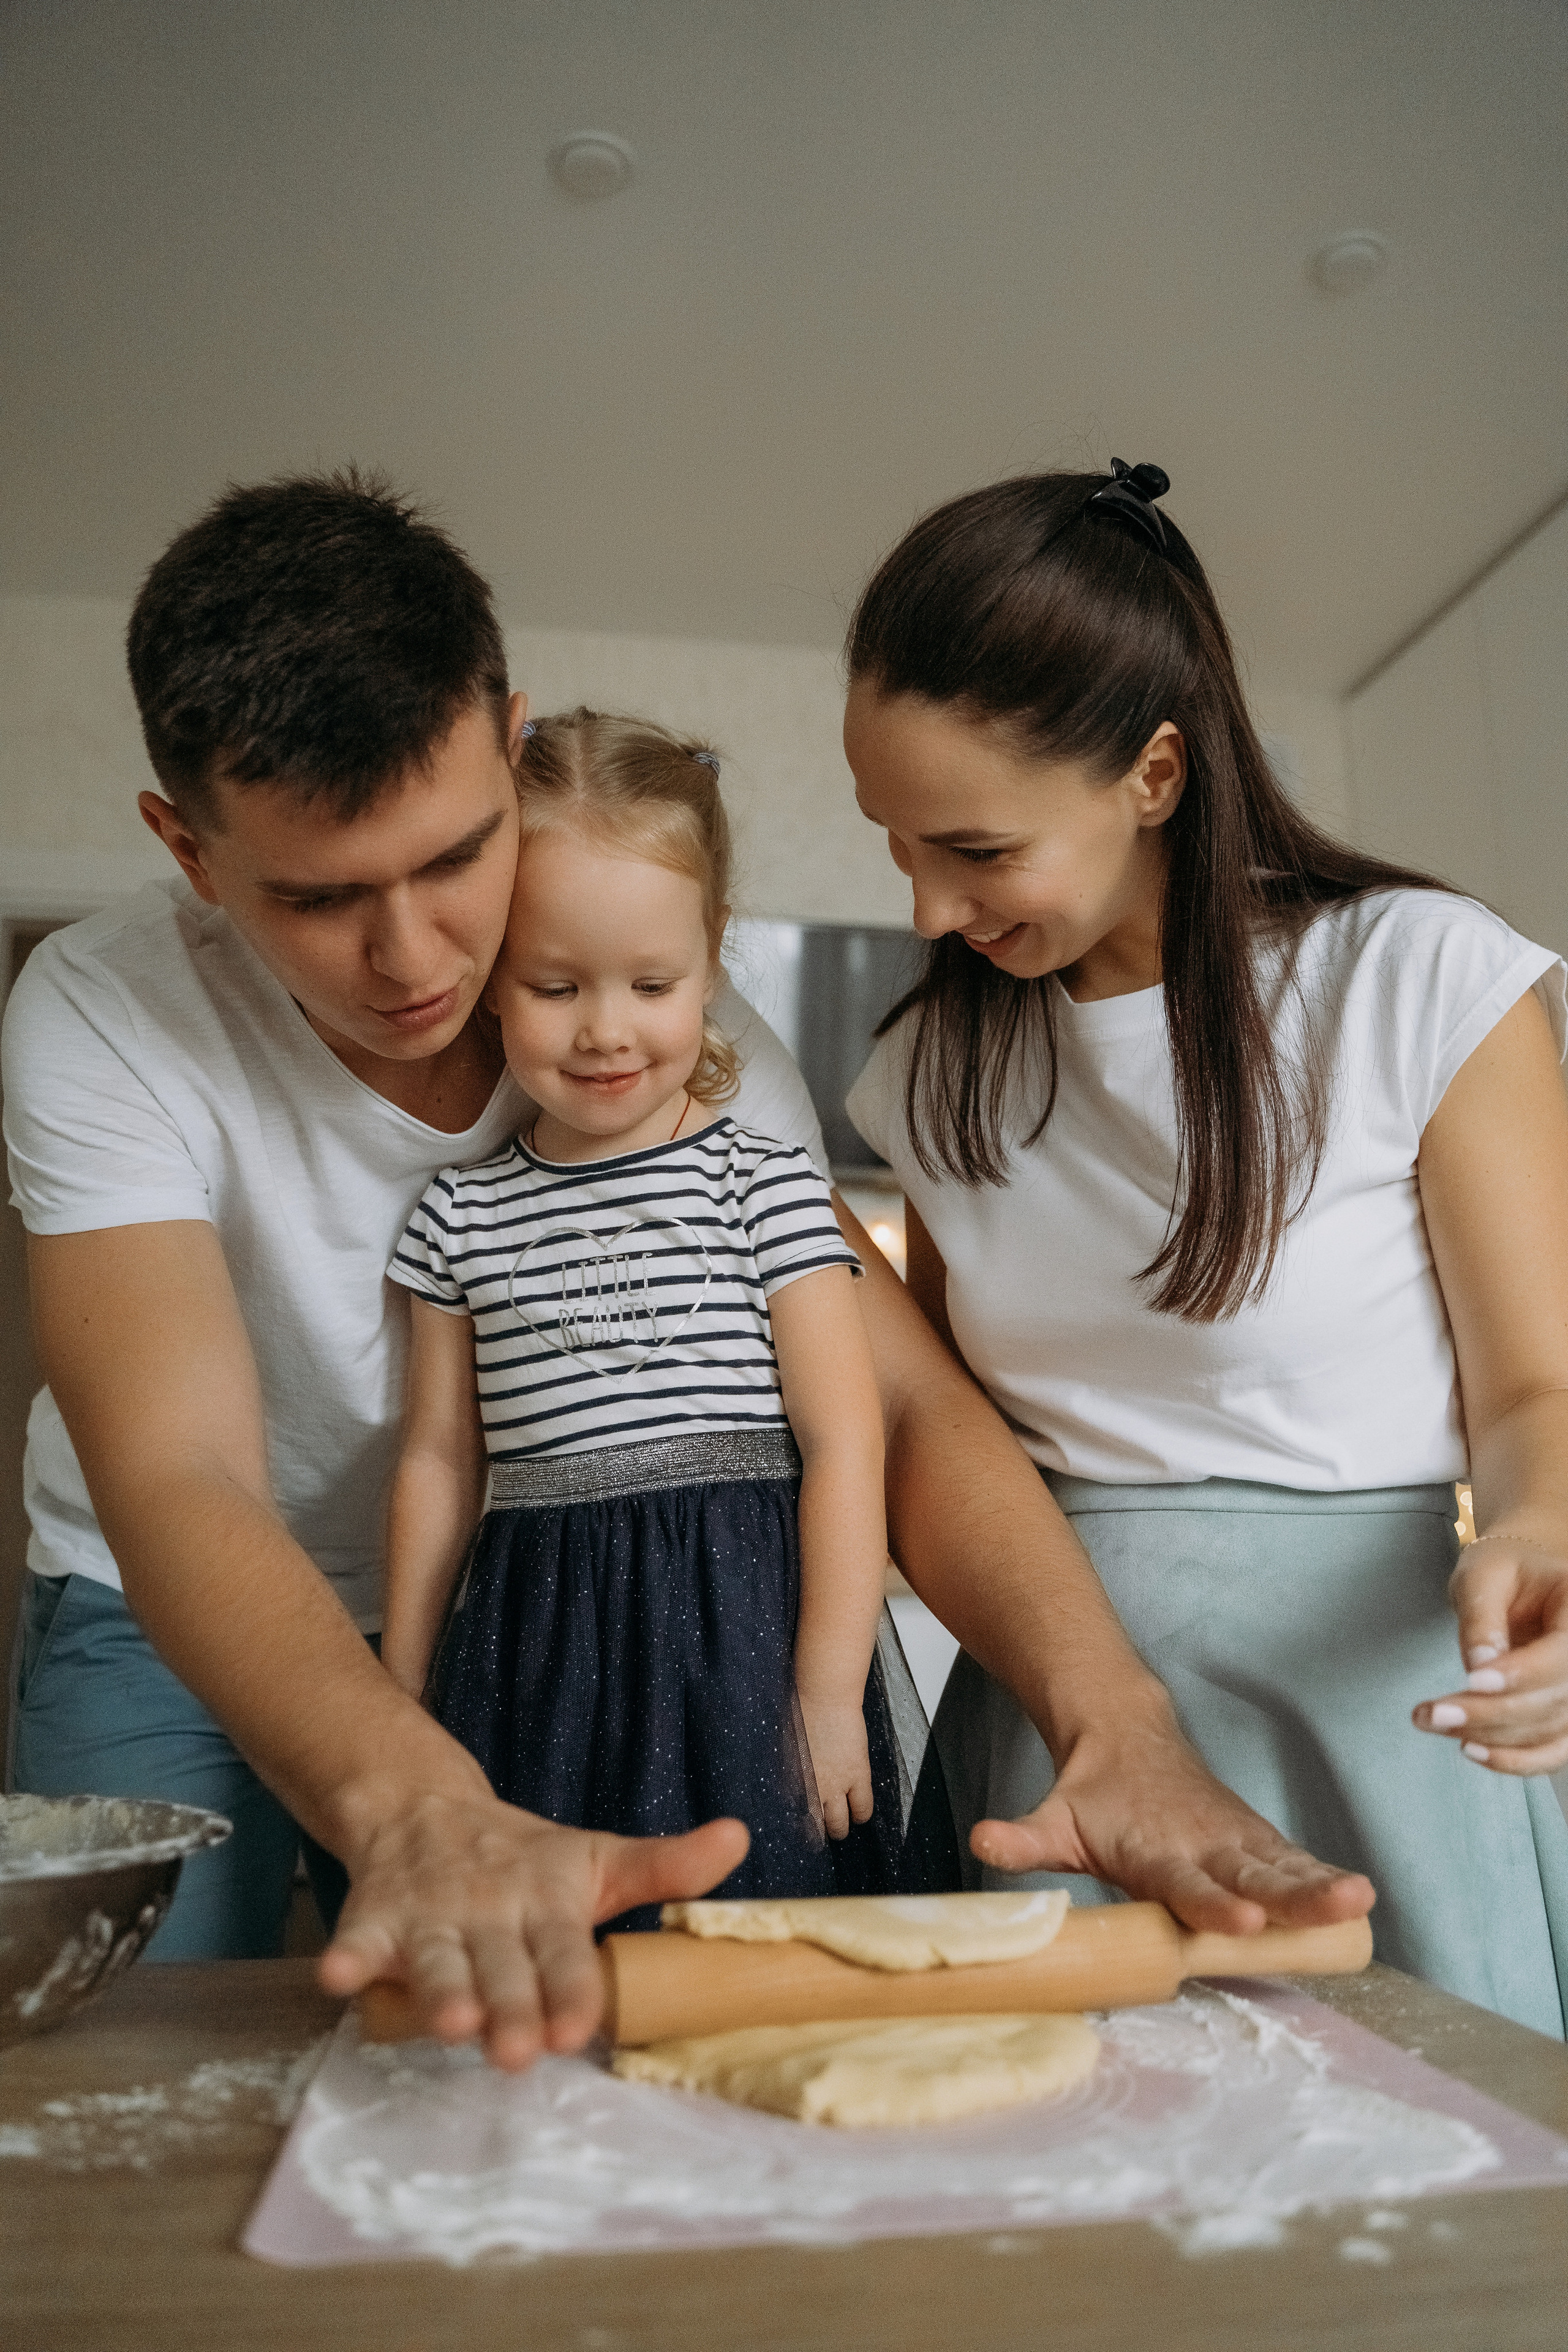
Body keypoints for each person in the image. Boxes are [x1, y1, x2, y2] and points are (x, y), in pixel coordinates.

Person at [4, 468, 1370, 2075]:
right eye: (317, 898)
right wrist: (417, 1798)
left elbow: (901, 1411)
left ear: (510, 744)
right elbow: (178, 1473)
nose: (413, 959)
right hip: (171, 1609)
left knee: (523, 2091)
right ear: (186, 844)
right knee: (120, 2073)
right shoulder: (97, 1018)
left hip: (546, 1619)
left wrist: (1115, 1721)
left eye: (453, 861)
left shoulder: (686, 1059)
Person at [840, 461, 1568, 2037]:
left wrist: (1545, 1530)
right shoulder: (928, 1073)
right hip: (1056, 1726)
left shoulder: (1416, 982)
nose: (924, 908)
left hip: (1372, 1709)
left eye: (973, 848)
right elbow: (949, 1441)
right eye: (895, 846)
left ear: (1152, 772)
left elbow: (1536, 1390)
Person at [382, 707, 959, 1912]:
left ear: (711, 959)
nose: (604, 1028)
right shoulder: (457, 1218)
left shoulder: (766, 1183)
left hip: (743, 1643)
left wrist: (822, 1692)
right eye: (553, 984)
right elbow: (439, 1459)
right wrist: (405, 1689)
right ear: (490, 976)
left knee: (759, 1953)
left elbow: (844, 1442)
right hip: (535, 1651)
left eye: (651, 983)